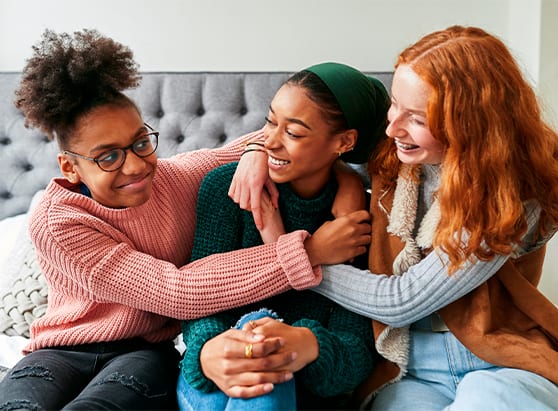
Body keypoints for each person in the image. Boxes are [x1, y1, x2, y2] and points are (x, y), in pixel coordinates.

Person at [0, 30, 373, 410]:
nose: (135, 166)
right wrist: (308, 251)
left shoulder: (175, 177)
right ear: (70, 166)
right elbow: (176, 291)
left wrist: (344, 179)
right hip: (60, 351)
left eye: (141, 143)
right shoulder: (58, 221)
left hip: (144, 350)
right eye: (108, 157)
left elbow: (289, 141)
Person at [230, 25, 558, 410]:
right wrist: (254, 150)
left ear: (469, 123)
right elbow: (316, 144)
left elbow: (403, 300)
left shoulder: (517, 192)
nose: (392, 127)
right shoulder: (397, 154)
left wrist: (299, 257)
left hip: (498, 359)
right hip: (407, 366)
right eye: (394, 104)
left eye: (417, 118)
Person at [176, 62, 390, 410]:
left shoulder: (360, 223)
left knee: (269, 365)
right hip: (216, 375)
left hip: (306, 388)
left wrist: (306, 343)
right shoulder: (226, 188)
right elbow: (198, 298)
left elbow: (356, 349)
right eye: (270, 121)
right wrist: (208, 349)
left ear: (345, 142)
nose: (270, 142)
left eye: (294, 133)